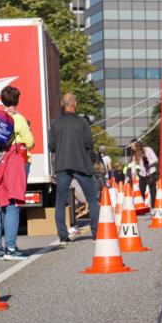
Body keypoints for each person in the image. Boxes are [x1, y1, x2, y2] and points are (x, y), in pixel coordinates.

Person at [0, 86, 34, 260]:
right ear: (17, 100)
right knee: (12, 205)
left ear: (2, 100)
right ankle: (11, 248)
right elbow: (30, 142)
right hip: (14, 163)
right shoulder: (18, 119)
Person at [49, 92, 99, 243]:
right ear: (75, 104)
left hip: (63, 165)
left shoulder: (56, 123)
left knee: (60, 200)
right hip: (81, 164)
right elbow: (89, 144)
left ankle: (63, 235)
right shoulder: (82, 122)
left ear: (62, 104)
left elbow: (52, 146)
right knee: (92, 199)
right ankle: (96, 232)